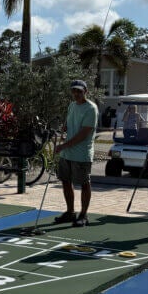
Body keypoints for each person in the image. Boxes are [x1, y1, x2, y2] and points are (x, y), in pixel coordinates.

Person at [54, 79, 98, 227]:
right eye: (74, 90)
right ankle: (70, 212)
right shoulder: (72, 105)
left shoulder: (91, 108)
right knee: (66, 181)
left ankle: (83, 215)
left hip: (81, 153)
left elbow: (84, 134)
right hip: (67, 153)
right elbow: (68, 121)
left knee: (84, 183)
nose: (76, 93)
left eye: (79, 91)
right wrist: (64, 127)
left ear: (85, 91)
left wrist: (63, 145)